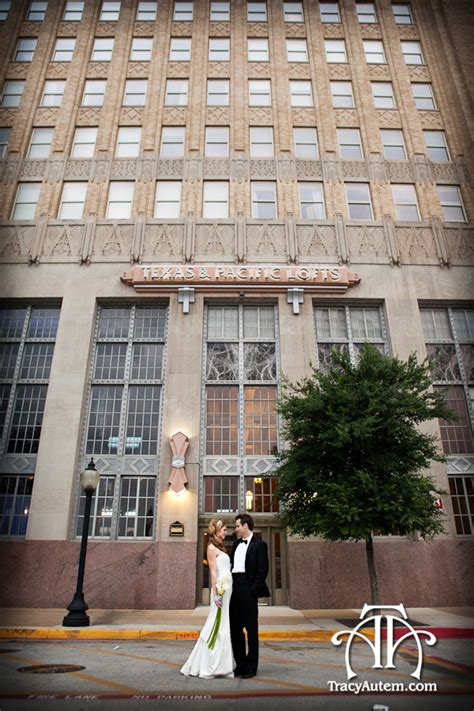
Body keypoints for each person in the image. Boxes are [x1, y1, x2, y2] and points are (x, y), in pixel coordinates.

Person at [180, 519, 234, 678]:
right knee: (216, 624)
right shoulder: (211, 548)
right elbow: (213, 572)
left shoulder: (219, 548)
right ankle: (209, 664)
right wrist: (216, 594)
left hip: (226, 589)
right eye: (224, 529)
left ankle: (222, 664)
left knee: (222, 624)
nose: (226, 532)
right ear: (217, 531)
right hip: (220, 590)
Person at [230, 513, 270, 679]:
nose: (236, 529)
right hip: (235, 590)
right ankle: (240, 664)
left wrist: (253, 590)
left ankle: (251, 666)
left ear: (246, 525)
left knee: (251, 630)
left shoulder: (260, 545)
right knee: (235, 629)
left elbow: (263, 570)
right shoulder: (235, 544)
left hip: (248, 589)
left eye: (237, 526)